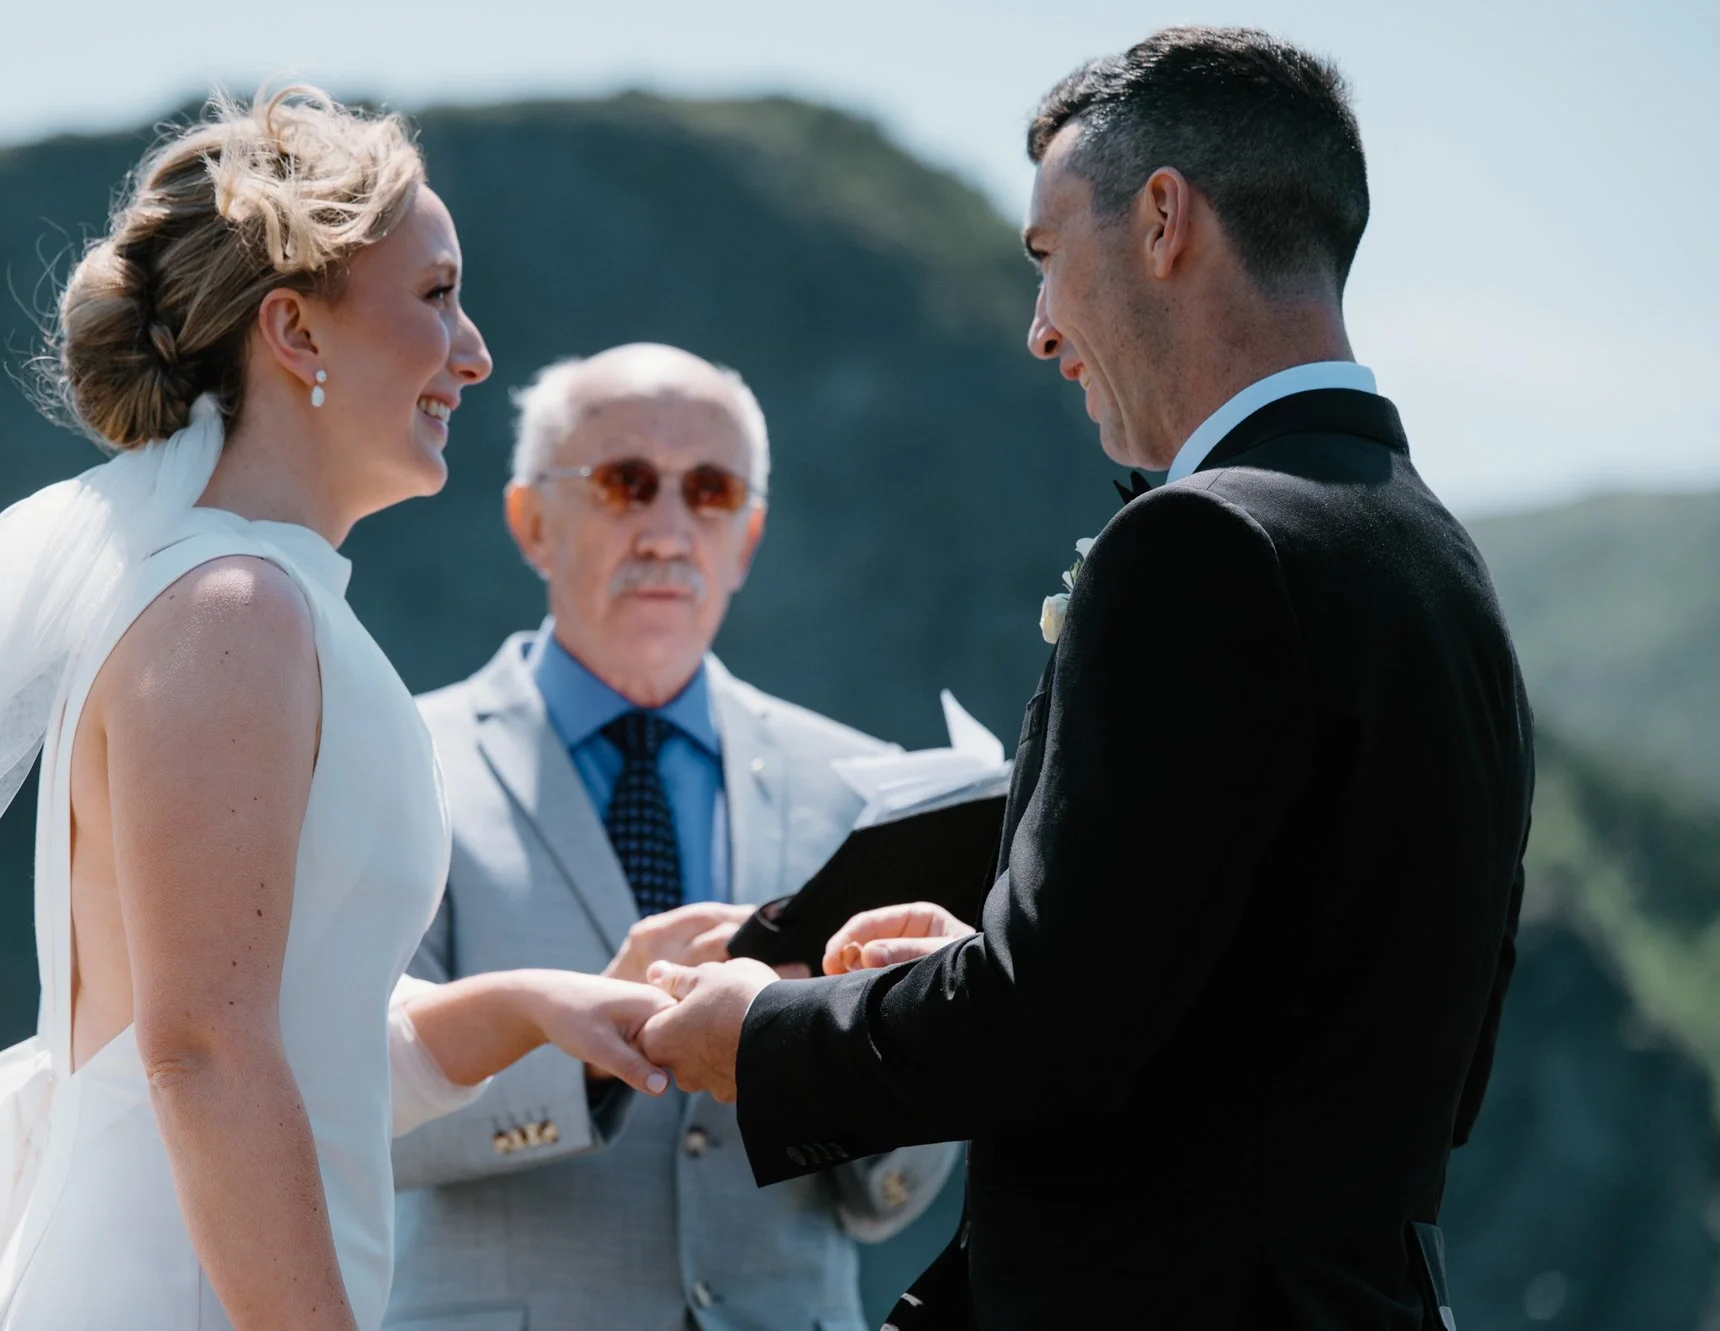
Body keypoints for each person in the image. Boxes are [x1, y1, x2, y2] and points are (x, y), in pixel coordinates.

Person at [0, 88, 680, 1331]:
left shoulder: (258, 602)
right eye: (436, 294)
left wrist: (537, 1003)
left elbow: (296, 1046)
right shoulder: (232, 610)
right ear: (294, 329)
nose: (475, 349)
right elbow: (204, 1055)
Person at [637, 27, 1535, 1331]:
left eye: (1049, 259)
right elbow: (1385, 1053)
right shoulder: (1440, 558)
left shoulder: (1201, 543)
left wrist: (763, 1032)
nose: (1041, 330)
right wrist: (996, 955)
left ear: (1164, 218)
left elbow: (1052, 1024)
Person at [386, 344, 959, 1330]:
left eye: (707, 489)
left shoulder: (867, 786)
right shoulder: (395, 761)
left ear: (746, 536)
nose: (665, 529)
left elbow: (881, 1201)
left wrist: (916, 1027)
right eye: (622, 483)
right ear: (529, 521)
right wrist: (591, 1052)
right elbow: (352, 1113)